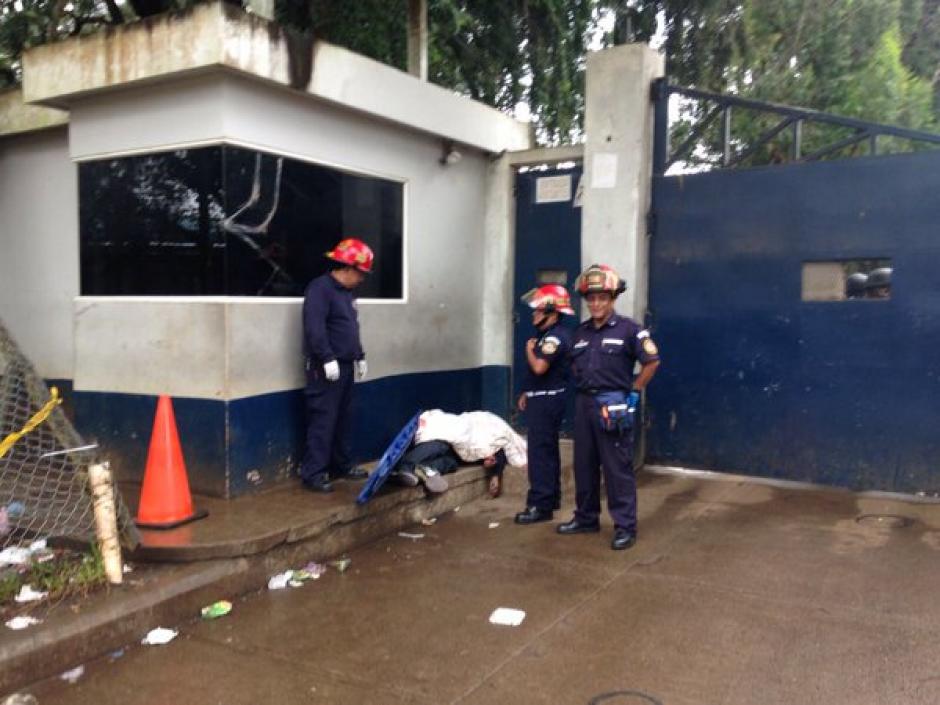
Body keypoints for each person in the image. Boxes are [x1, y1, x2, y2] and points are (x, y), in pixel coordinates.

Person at [557, 264, 661, 550]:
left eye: (602, 297)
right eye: (591, 298)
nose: (596, 303)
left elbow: (652, 361)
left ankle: (625, 526)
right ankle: (586, 518)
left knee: (617, 469)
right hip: (584, 404)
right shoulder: (580, 333)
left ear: (613, 298)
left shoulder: (630, 330)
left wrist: (635, 391)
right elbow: (573, 367)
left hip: (613, 404)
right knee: (584, 465)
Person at [299, 238, 373, 493]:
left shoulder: (346, 293)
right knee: (324, 419)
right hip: (325, 368)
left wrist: (359, 355)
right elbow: (314, 328)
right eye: (361, 273)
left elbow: (351, 329)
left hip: (346, 365)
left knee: (343, 418)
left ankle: (341, 464)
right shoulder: (320, 289)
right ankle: (314, 473)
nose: (362, 279)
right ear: (348, 268)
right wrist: (326, 357)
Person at [514, 284, 574, 525]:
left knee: (539, 453)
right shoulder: (551, 336)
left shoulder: (554, 338)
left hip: (547, 402)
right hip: (543, 396)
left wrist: (529, 350)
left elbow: (539, 367)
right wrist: (528, 393)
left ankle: (540, 504)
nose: (533, 314)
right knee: (548, 451)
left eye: (538, 310)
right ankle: (552, 498)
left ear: (552, 313)